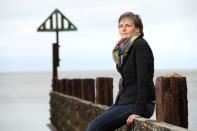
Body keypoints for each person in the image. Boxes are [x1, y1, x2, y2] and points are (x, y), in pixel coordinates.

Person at [86, 11, 155, 131]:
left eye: (128, 25)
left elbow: (144, 80)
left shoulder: (140, 45)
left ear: (137, 29)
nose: (123, 29)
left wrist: (138, 111)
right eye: (120, 26)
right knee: (93, 125)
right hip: (125, 101)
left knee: (94, 128)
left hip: (139, 104)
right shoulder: (123, 50)